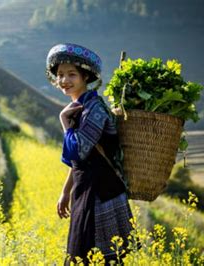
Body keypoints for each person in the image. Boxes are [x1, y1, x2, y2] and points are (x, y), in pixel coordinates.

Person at [45, 43, 135, 265]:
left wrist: (64, 123)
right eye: (60, 75)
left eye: (71, 74)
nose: (64, 80)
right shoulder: (78, 108)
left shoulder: (93, 108)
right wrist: (65, 192)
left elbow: (80, 149)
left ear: (85, 77)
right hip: (86, 189)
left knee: (97, 257)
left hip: (102, 191)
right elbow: (76, 161)